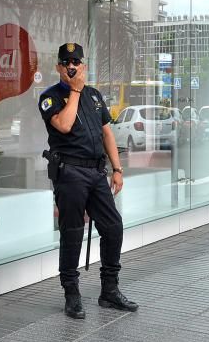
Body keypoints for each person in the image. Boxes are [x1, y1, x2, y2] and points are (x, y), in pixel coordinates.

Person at [39, 42, 138, 320]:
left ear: (84, 65)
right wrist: (74, 91)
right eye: (66, 62)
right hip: (70, 173)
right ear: (59, 67)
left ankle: (109, 290)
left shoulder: (94, 96)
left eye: (76, 62)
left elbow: (107, 133)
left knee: (113, 227)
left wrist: (117, 169)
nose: (72, 66)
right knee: (72, 233)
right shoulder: (51, 97)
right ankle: (72, 294)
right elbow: (65, 125)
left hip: (96, 173)